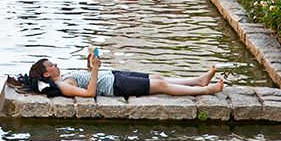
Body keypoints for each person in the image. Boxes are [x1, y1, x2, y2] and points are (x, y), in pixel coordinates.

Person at [28, 56, 224, 98]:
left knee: (156, 76)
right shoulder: (63, 86)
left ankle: (198, 81)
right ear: (46, 74)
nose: (56, 65)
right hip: (116, 86)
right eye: (51, 65)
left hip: (114, 75)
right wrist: (95, 70)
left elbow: (86, 79)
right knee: (161, 85)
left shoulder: (63, 77)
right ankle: (206, 90)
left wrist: (91, 66)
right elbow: (89, 93)